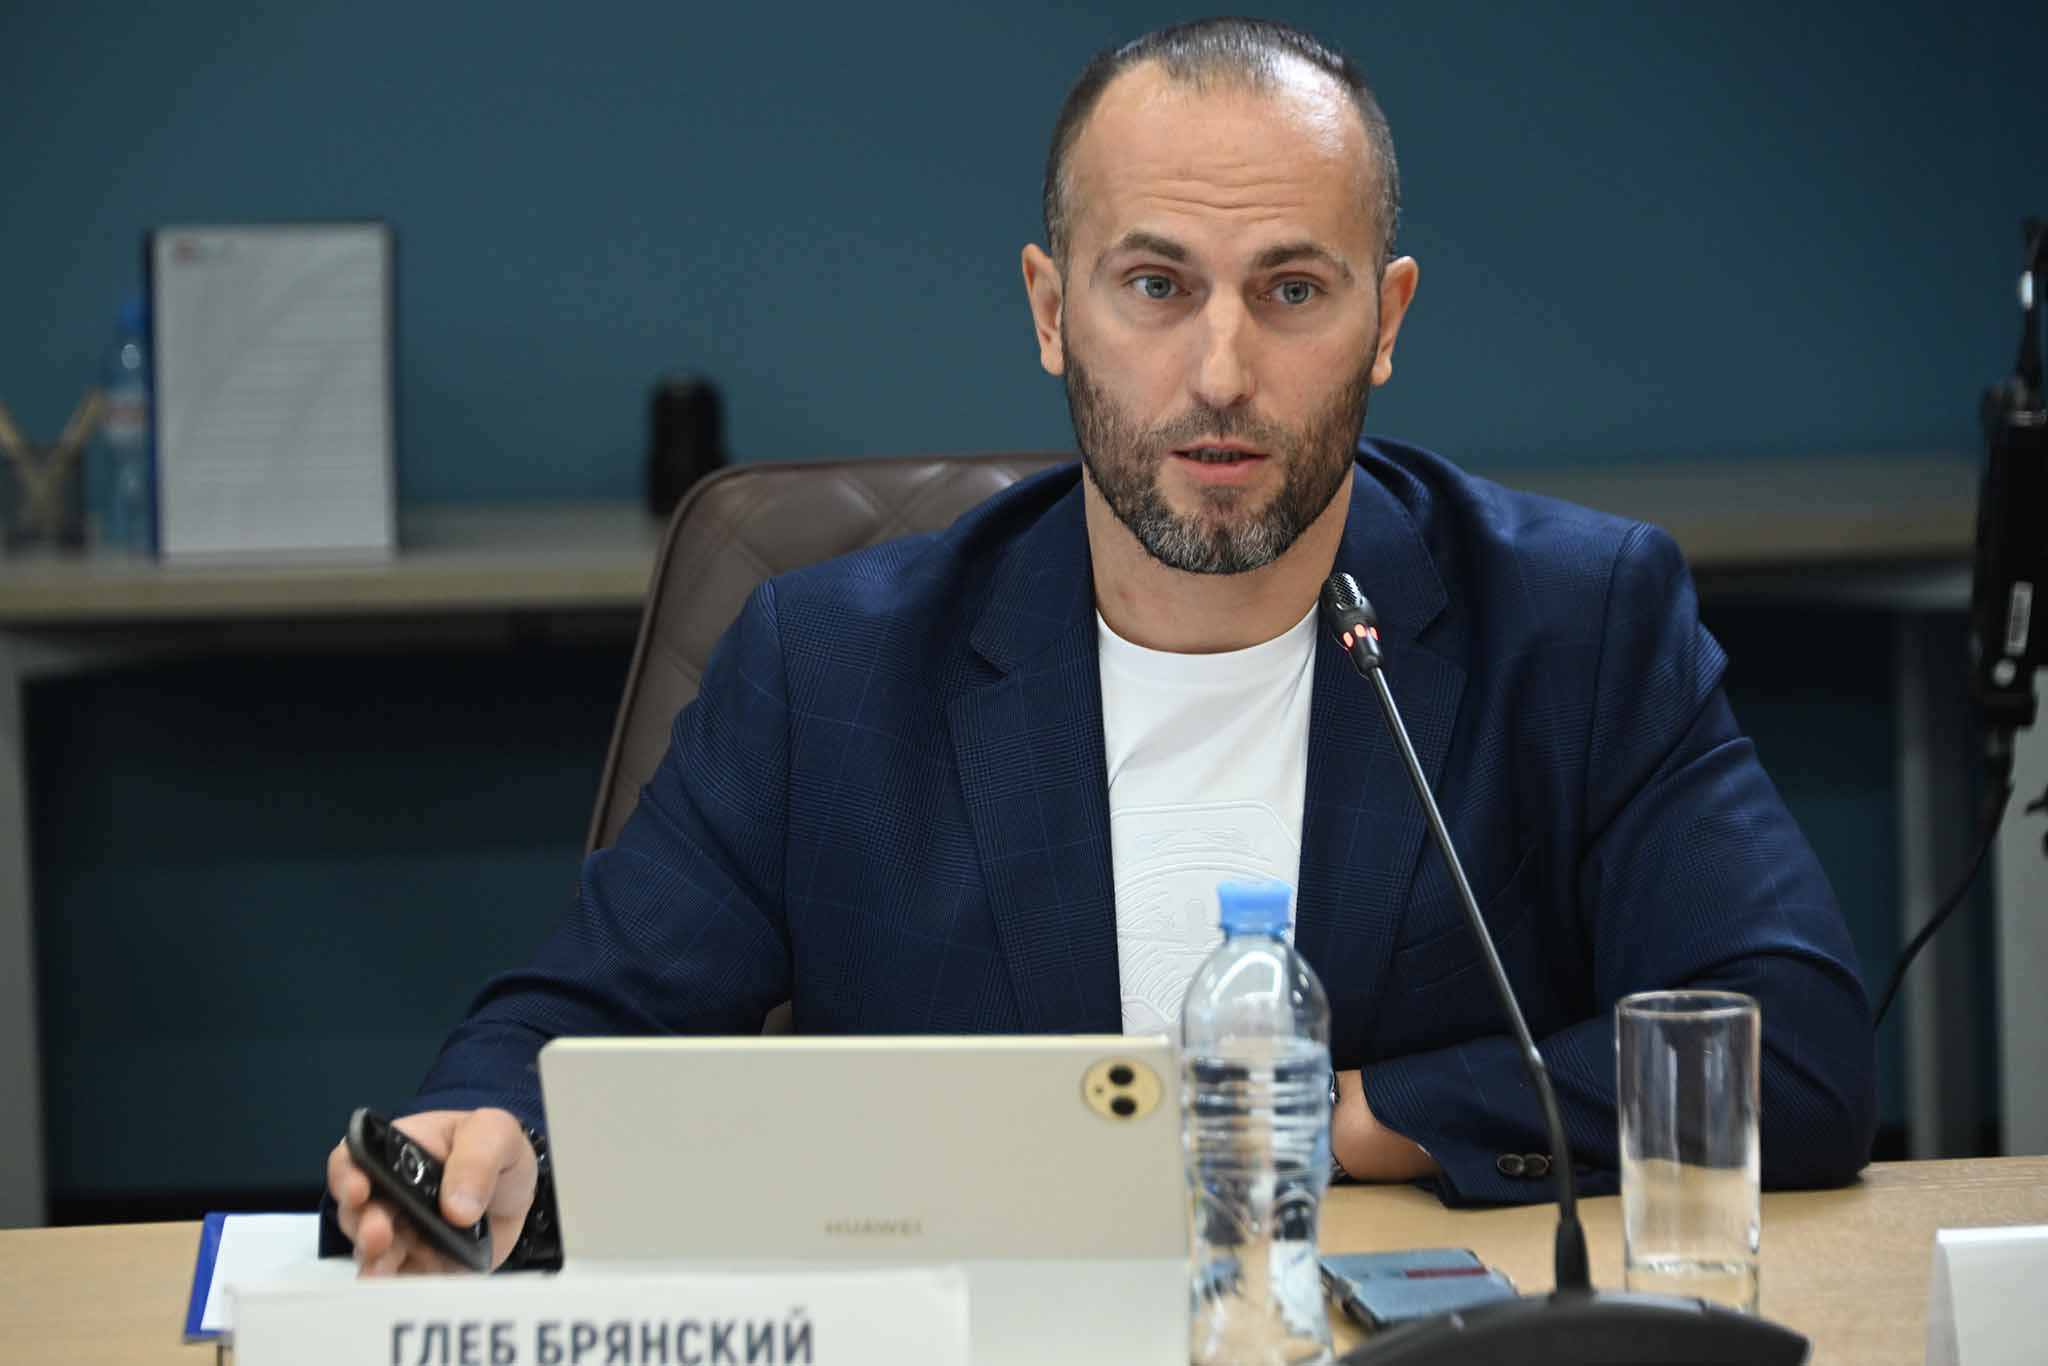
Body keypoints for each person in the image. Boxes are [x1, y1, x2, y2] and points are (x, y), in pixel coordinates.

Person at [328, 17, 1878, 1275]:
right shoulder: (832, 669)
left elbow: (1793, 1056)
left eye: (1292, 290)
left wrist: (1327, 1120)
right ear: (1050, 307)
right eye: (1155, 285)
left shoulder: (1575, 623)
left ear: (1388, 320)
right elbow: (568, 1030)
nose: (1221, 372)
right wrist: (481, 1127)